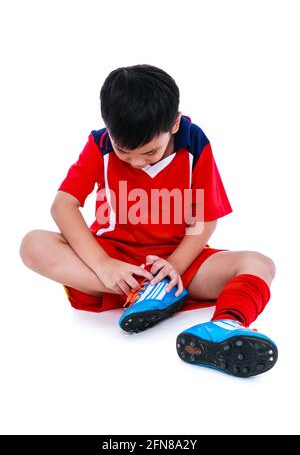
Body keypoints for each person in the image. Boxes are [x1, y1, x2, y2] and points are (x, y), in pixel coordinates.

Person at [19, 64, 278, 378]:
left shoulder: (194, 144)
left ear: (173, 124)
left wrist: (177, 265)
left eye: (150, 152)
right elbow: (64, 205)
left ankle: (225, 324)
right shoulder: (99, 144)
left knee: (260, 263)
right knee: (33, 244)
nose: (138, 162)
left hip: (177, 268)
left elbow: (205, 218)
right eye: (124, 152)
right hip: (113, 267)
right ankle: (138, 294)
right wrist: (103, 264)